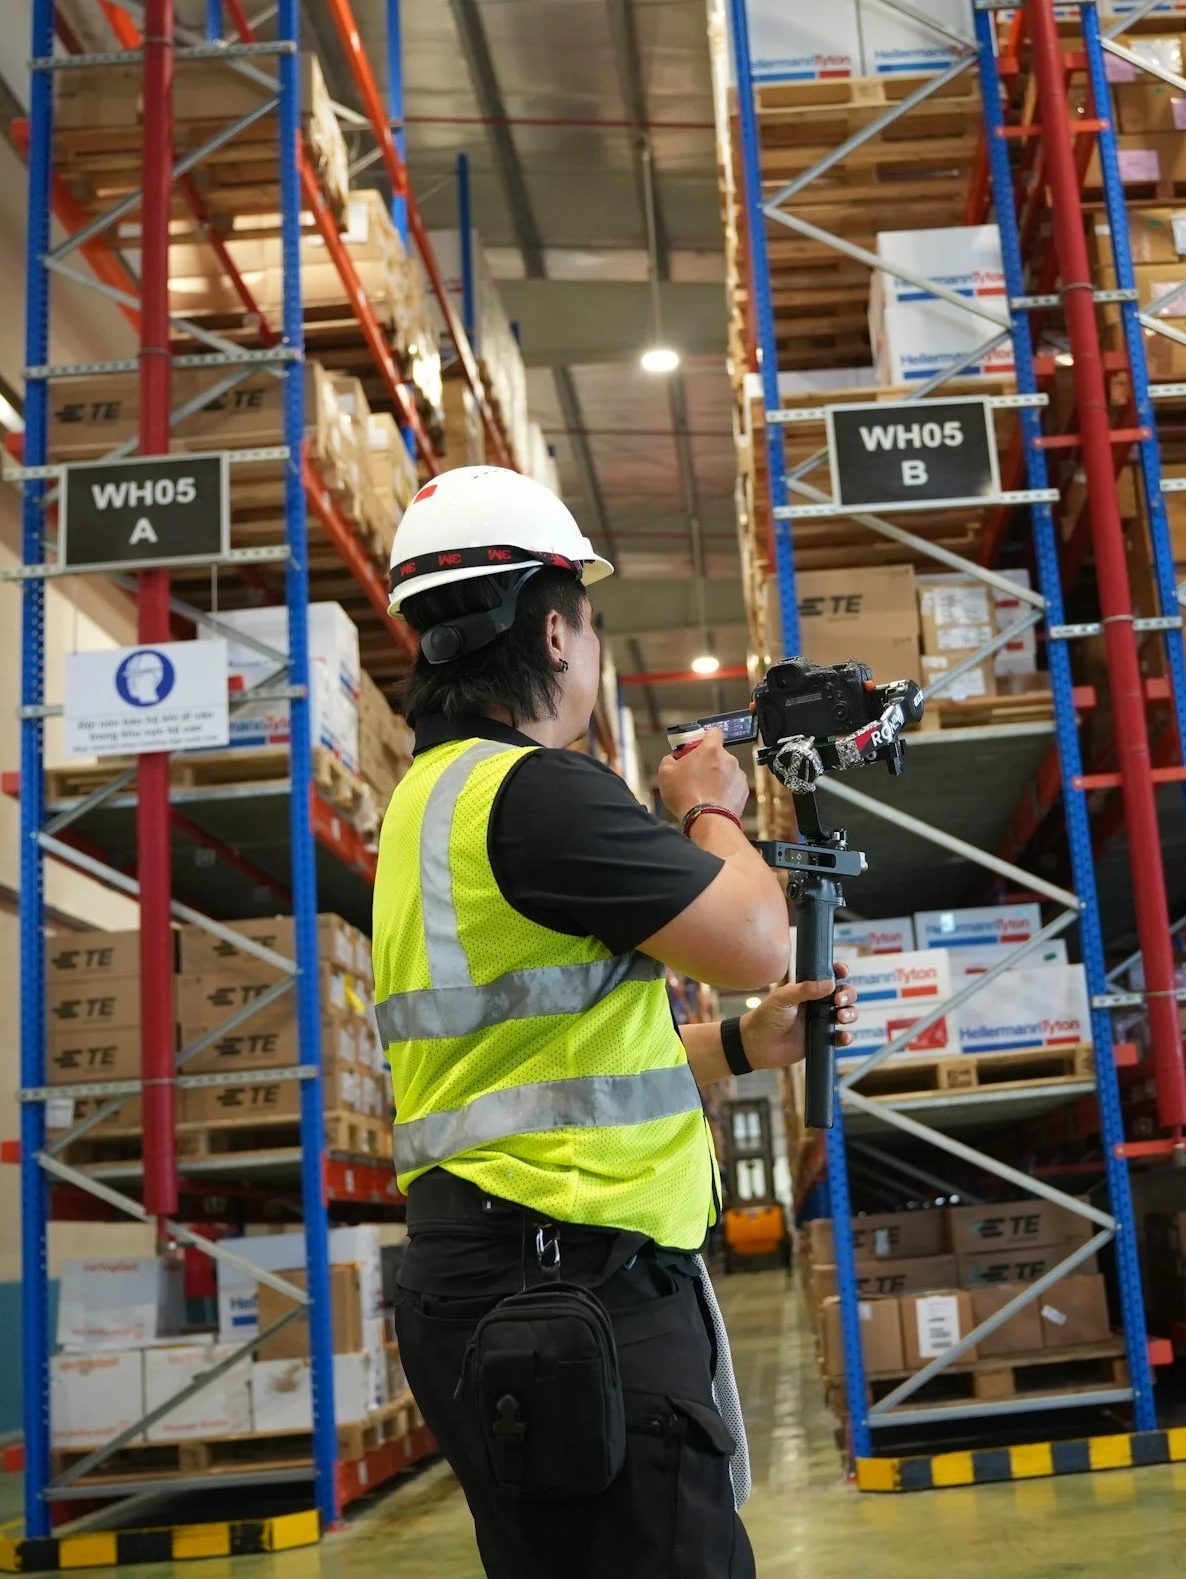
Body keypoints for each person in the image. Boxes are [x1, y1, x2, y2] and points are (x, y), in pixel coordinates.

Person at [371, 465, 848, 1579]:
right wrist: (709, 806)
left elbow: (532, 1064)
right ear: (551, 631)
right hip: (568, 1284)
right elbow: (754, 939)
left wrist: (738, 1044)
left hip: (499, 1276)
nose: (590, 650)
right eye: (588, 625)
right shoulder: (535, 792)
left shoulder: (428, 804)